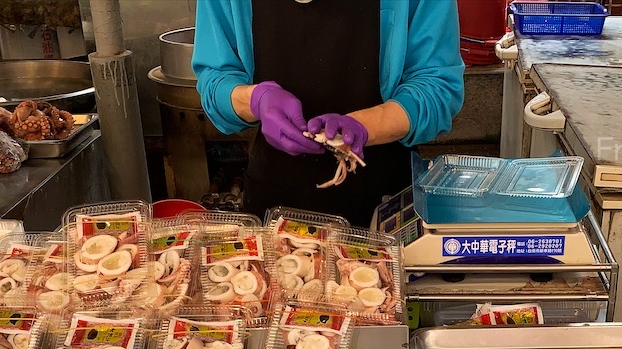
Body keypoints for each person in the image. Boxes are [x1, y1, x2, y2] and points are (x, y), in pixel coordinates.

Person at [193, 0, 465, 226]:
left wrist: (364, 126)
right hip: (275, 200)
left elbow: (436, 85)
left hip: (386, 204)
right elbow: (216, 78)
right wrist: (255, 100)